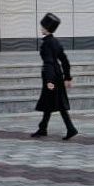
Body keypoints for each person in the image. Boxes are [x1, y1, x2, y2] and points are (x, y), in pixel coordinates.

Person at [31, 13, 78, 141]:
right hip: (57, 75)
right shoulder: (56, 42)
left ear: (47, 28)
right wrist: (67, 77)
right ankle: (43, 128)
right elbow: (64, 60)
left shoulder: (46, 43)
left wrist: (49, 81)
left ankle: (70, 128)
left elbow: (49, 63)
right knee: (49, 102)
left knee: (59, 104)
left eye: (43, 26)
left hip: (51, 76)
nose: (41, 28)